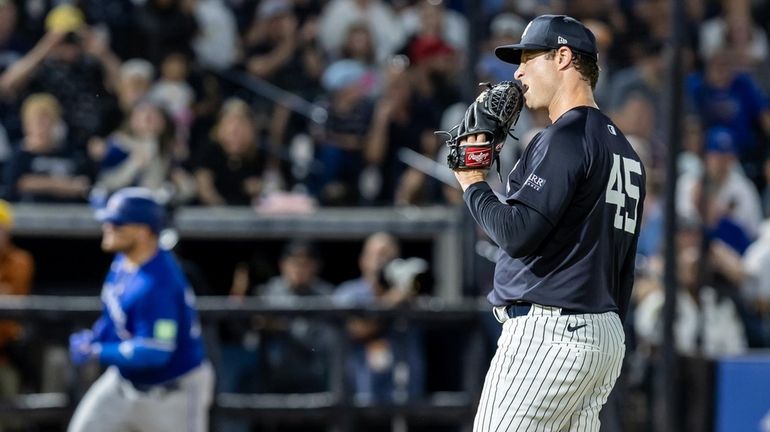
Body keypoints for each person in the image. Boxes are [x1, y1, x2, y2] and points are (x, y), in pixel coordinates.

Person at [453, 15, 646, 431]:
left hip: (551, 333)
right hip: (602, 333)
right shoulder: (625, 151)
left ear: (562, 57)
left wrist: (473, 183)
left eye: (528, 58)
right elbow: (623, 271)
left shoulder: (565, 136)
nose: (518, 71)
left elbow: (517, 233)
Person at [67, 187, 214, 432]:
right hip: (122, 383)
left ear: (144, 232)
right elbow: (114, 314)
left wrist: (97, 351)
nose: (108, 227)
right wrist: (96, 336)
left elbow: (156, 351)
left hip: (171, 392)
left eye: (118, 223)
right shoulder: (124, 261)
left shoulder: (159, 283)